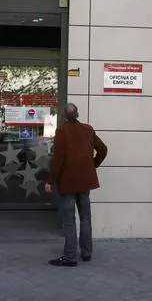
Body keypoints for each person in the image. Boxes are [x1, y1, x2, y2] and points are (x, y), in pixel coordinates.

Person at [44, 103, 108, 267]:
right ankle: (86, 252)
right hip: (85, 181)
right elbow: (103, 149)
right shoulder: (88, 129)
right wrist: (92, 165)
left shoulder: (62, 131)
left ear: (64, 115)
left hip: (68, 182)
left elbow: (58, 159)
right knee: (85, 218)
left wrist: (50, 181)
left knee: (69, 220)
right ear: (77, 114)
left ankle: (70, 256)